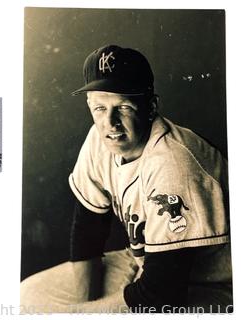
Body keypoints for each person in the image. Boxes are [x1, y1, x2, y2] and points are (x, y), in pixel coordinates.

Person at [20, 45, 233, 313]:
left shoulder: (173, 163)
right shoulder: (100, 139)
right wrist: (84, 305)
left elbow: (161, 296)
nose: (110, 122)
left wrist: (79, 314)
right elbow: (88, 230)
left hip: (211, 284)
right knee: (29, 295)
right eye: (99, 107)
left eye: (123, 106)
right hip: (144, 261)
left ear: (150, 106)